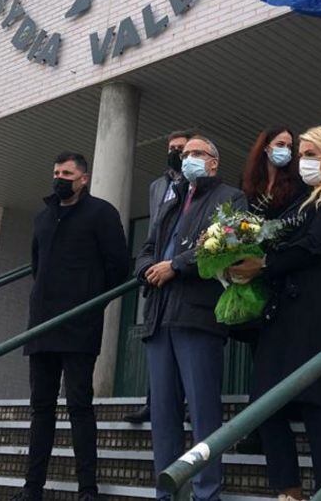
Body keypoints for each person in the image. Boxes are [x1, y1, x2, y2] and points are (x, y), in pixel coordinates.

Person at [228, 125, 321, 501]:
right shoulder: (302, 202)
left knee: (320, 404)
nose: (302, 162)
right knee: (266, 403)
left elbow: (314, 246)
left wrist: (264, 264)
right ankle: (288, 490)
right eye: (301, 154)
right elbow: (276, 234)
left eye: (310, 154)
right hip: (283, 310)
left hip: (316, 309)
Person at [13, 152, 131, 501]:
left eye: (67, 172)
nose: (59, 177)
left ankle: (87, 488)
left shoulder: (102, 213)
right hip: (42, 325)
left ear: (84, 178)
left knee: (79, 404)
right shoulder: (43, 217)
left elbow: (118, 265)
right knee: (41, 407)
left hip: (80, 325)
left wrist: (92, 304)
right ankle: (32, 488)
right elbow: (38, 265)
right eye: (55, 172)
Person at [136, 135, 247, 501]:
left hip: (197, 318)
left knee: (203, 414)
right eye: (185, 154)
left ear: (213, 162)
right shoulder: (171, 201)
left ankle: (206, 493)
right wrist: (148, 270)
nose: (188, 159)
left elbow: (230, 245)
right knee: (163, 417)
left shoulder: (229, 197)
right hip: (158, 318)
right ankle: (166, 493)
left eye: (197, 153)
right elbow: (147, 248)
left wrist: (177, 267)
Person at [233, 126, 307, 454]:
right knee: (261, 355)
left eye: (290, 146)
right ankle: (266, 422)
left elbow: (298, 226)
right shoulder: (250, 186)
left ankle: (265, 424)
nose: (286, 151)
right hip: (255, 280)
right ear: (265, 148)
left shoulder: (298, 186)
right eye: (280, 144)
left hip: (284, 276)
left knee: (277, 354)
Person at [125, 130, 192, 426]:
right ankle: (153, 402)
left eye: (181, 148)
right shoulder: (157, 186)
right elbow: (154, 231)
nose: (176, 153)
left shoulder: (197, 183)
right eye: (172, 148)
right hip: (157, 274)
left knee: (184, 346)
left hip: (184, 273)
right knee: (157, 341)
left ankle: (188, 402)